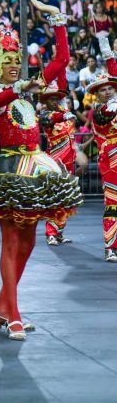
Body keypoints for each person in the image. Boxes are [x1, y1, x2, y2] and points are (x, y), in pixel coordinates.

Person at [0, 0, 82, 340]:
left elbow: (62, 61)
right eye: (7, 62)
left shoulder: (27, 93)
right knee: (10, 243)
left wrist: (57, 19)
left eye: (15, 62)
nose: (13, 67)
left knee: (30, 242)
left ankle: (1, 309)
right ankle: (14, 316)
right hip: (8, 171)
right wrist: (21, 87)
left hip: (35, 167)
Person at [38, 82, 78, 246]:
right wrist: (61, 115)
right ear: (45, 102)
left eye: (58, 99)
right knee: (55, 198)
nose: (55, 102)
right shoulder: (45, 115)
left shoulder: (65, 112)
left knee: (67, 200)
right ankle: (51, 234)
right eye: (52, 99)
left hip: (70, 162)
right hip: (56, 162)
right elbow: (48, 119)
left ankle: (59, 232)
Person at [89, 32, 117, 263]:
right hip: (111, 163)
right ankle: (110, 246)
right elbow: (108, 112)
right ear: (97, 94)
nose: (108, 91)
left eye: (111, 88)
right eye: (103, 90)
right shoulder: (98, 111)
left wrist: (107, 52)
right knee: (113, 204)